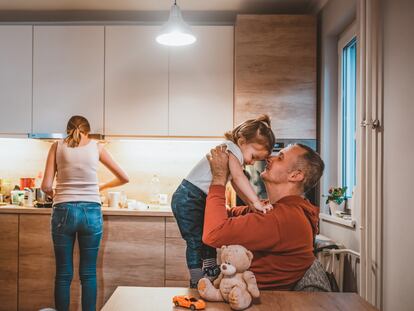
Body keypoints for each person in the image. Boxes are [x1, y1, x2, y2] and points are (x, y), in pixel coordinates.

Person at [201, 143, 324, 290]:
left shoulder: (285, 219)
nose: (269, 158)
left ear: (295, 175)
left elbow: (213, 233)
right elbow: (225, 216)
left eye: (280, 158)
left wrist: (219, 178)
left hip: (257, 302)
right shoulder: (274, 209)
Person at [171, 115, 276, 288]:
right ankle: (197, 278)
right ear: (241, 141)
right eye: (253, 156)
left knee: (206, 237)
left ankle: (210, 269)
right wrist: (256, 201)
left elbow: (235, 183)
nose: (251, 162)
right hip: (189, 198)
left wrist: (251, 204)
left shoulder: (233, 152)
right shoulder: (230, 149)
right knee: (196, 240)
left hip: (194, 197)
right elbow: (238, 177)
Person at [41, 115, 129, 311]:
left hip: (63, 211)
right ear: (88, 130)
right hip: (91, 211)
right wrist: (101, 187)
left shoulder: (56, 147)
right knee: (88, 273)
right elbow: (124, 177)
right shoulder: (97, 147)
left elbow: (46, 185)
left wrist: (56, 193)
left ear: (68, 129)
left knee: (63, 274)